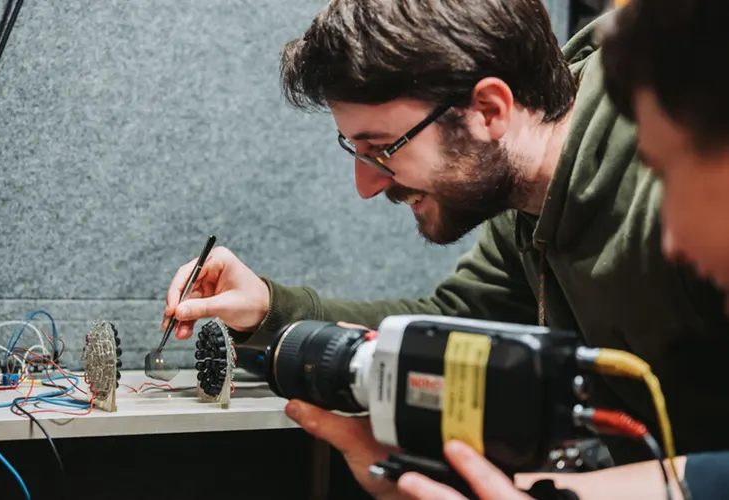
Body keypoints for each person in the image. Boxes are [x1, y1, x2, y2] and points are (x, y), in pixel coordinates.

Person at [162, 0, 729, 498]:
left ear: (489, 110)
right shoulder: (527, 215)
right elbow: (450, 325)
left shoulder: (690, 177)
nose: (367, 185)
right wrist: (267, 306)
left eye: (381, 149)